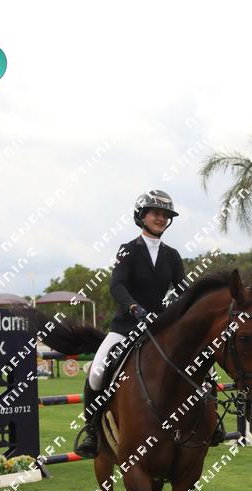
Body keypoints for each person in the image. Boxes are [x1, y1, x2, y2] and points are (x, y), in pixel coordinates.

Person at [74, 189, 186, 458]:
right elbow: (117, 285)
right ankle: (92, 432)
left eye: (165, 215)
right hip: (125, 327)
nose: (161, 218)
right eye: (155, 213)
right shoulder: (128, 250)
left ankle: (209, 423)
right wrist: (134, 308)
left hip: (159, 329)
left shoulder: (172, 255)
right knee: (97, 373)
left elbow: (182, 289)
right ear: (142, 216)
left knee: (200, 363)